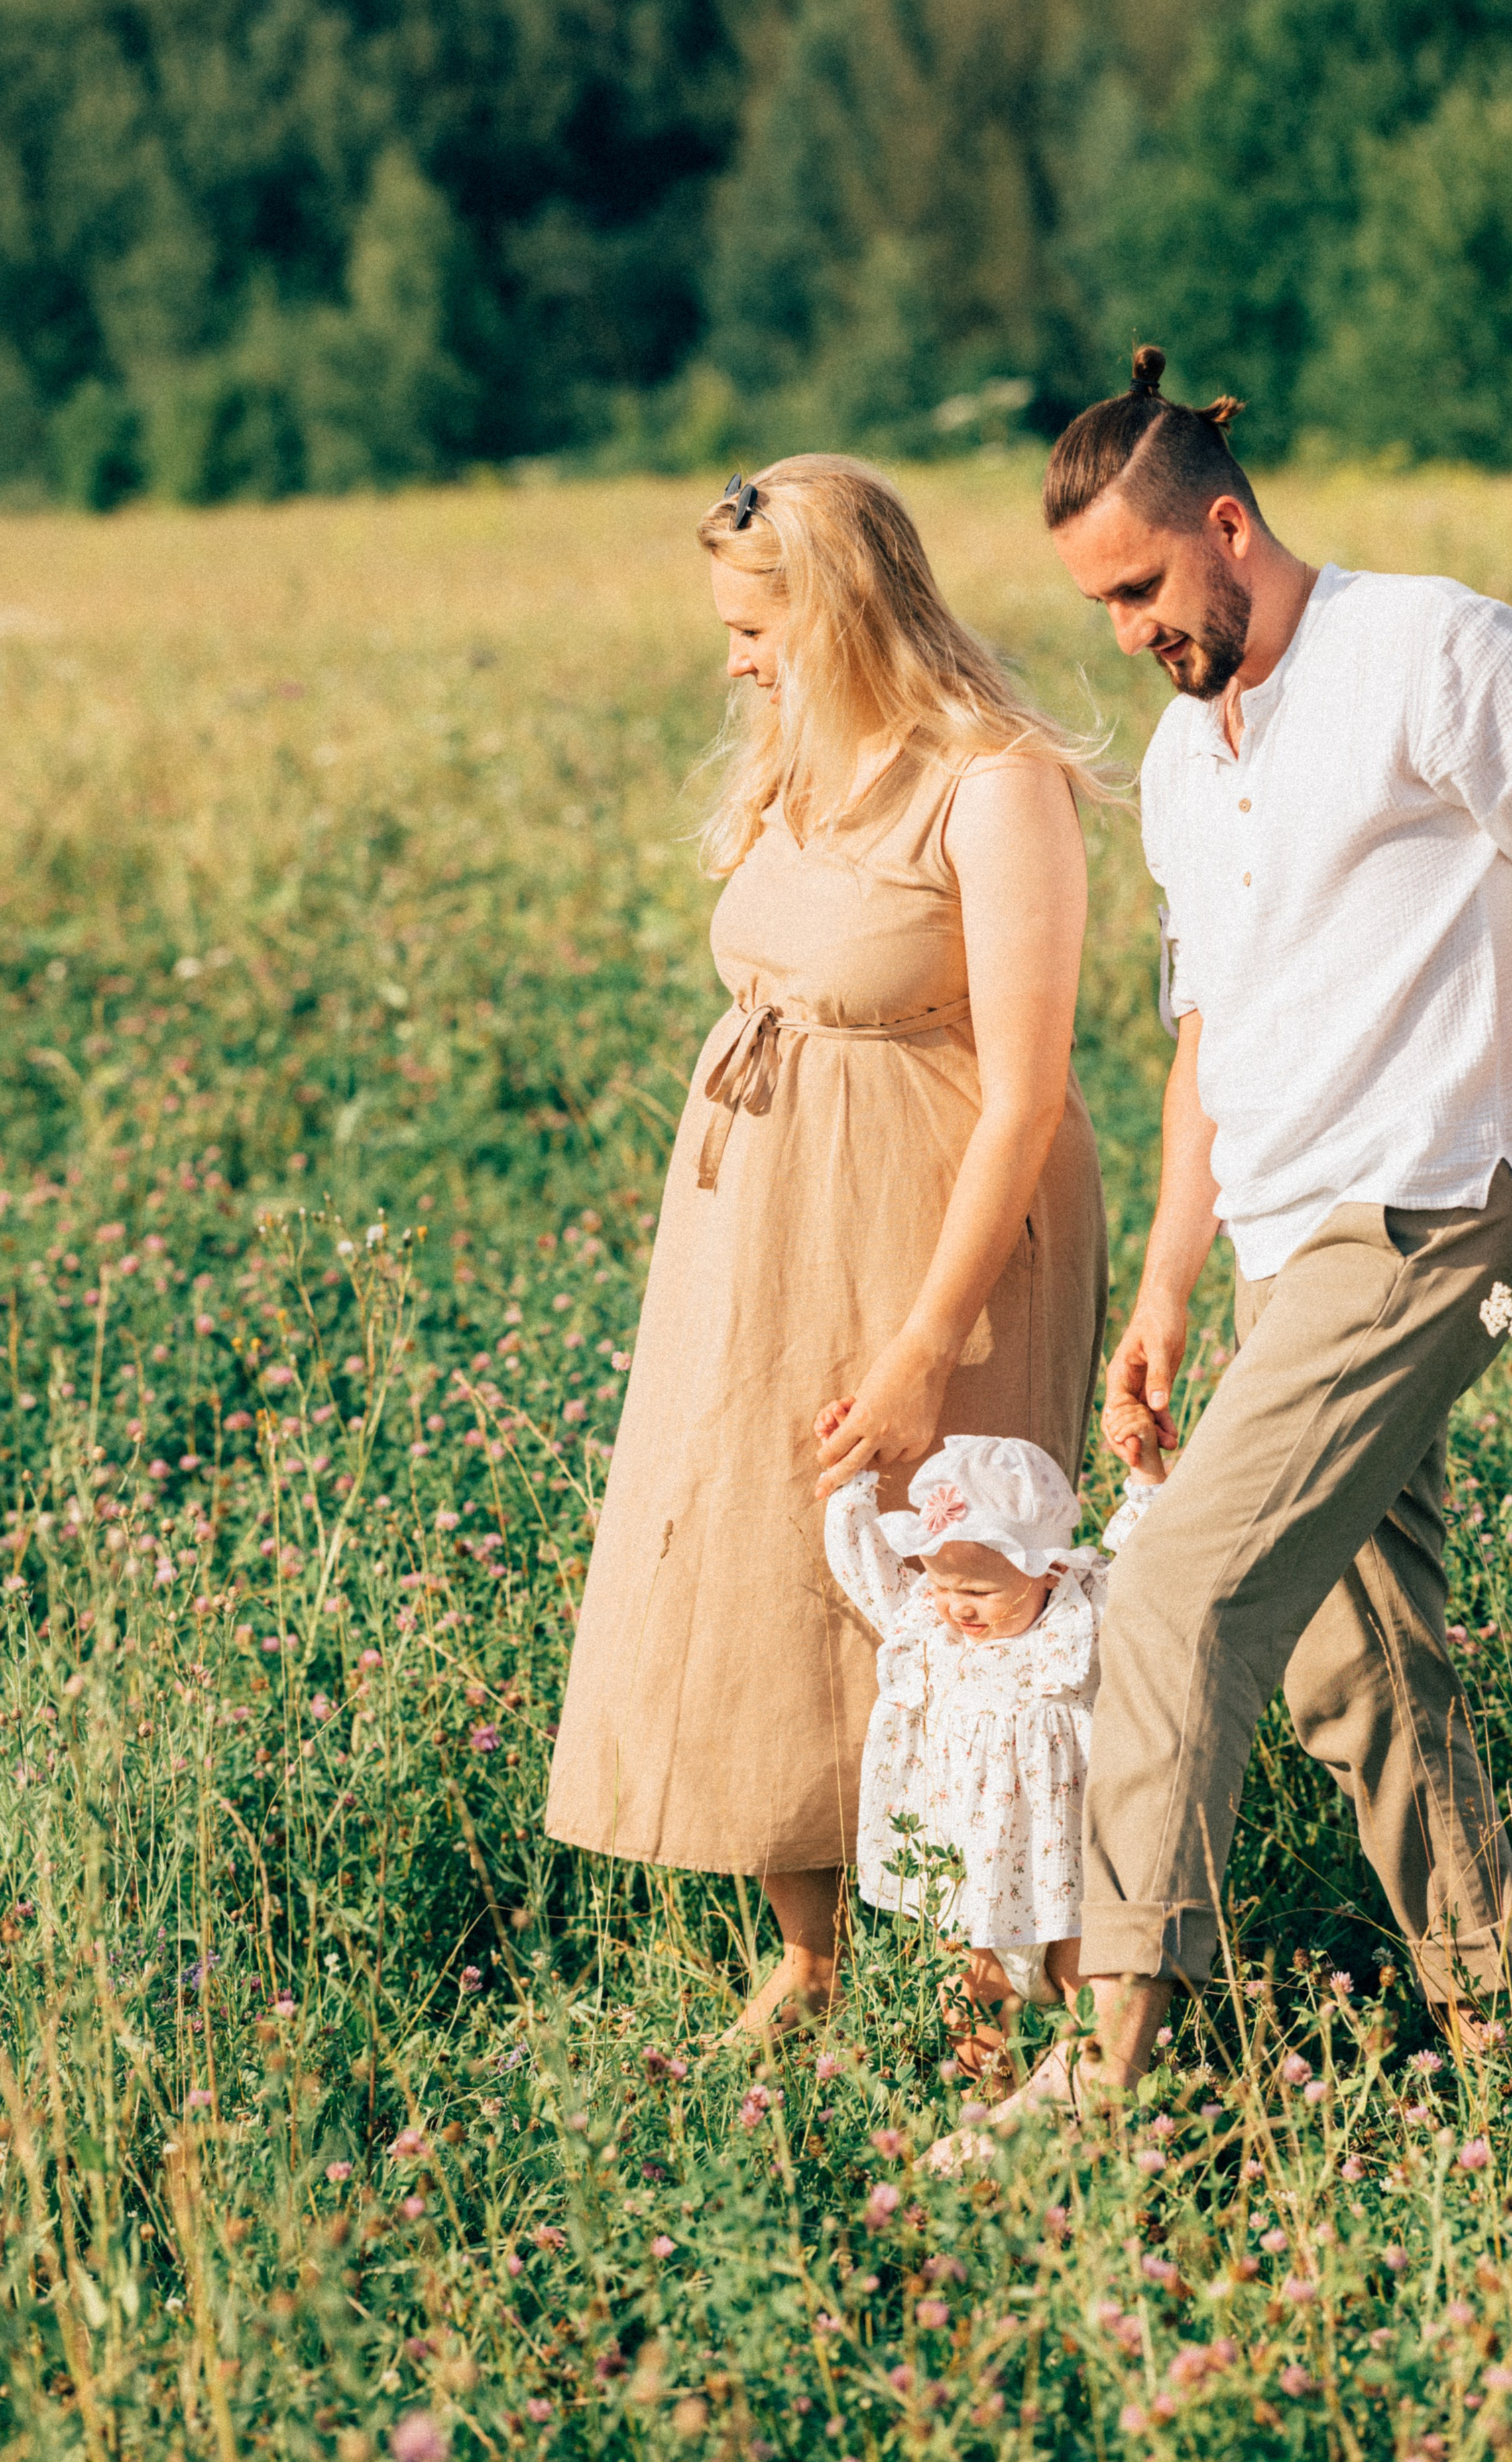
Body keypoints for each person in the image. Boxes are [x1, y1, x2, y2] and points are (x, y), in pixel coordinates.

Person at [992, 343, 1512, 2116]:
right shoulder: (1177, 759)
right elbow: (1207, 1044)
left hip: (1436, 1216)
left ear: (1229, 525)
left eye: (1146, 585)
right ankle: (1507, 2032)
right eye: (1101, 604)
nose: (1133, 628)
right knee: (1359, 1662)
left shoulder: (1437, 649)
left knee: (1178, 1593)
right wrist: (1161, 1293)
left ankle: (1129, 2060)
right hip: (1285, 1255)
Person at [544, 457, 1110, 2036]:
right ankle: (803, 1953)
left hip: (936, 1220)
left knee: (954, 1583)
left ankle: (989, 1989)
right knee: (751, 1554)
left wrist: (928, 1339)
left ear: (843, 612)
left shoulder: (991, 784)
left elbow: (1025, 1093)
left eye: (753, 626)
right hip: (753, 1220)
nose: (730, 657)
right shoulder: (794, 758)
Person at [822, 1433, 1163, 2078]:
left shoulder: (1080, 1615)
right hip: (969, 1882)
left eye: (978, 1589)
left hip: (1065, 1876)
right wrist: (853, 1484)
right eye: (944, 1581)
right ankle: (991, 2110)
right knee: (969, 1999)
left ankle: (1091, 2105)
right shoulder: (924, 1620)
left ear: (1046, 1567)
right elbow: (863, 1565)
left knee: (1089, 1991)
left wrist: (1144, 1473)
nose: (957, 1605)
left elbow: (1148, 1560)